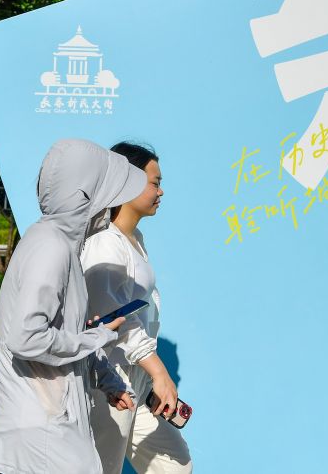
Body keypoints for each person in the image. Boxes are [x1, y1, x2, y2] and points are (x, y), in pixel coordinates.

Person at [0, 139, 145, 474]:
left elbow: (58, 333)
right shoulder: (51, 248)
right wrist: (98, 336)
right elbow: (27, 338)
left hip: (50, 425)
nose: (114, 207)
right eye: (109, 195)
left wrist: (106, 377)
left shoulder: (55, 243)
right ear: (87, 196)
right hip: (43, 434)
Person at [81, 142, 193, 473]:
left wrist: (151, 374)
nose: (161, 191)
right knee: (104, 468)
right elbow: (113, 318)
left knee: (175, 466)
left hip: (136, 377)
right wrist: (160, 372)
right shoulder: (104, 243)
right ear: (126, 182)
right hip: (109, 379)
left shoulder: (134, 238)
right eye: (154, 182)